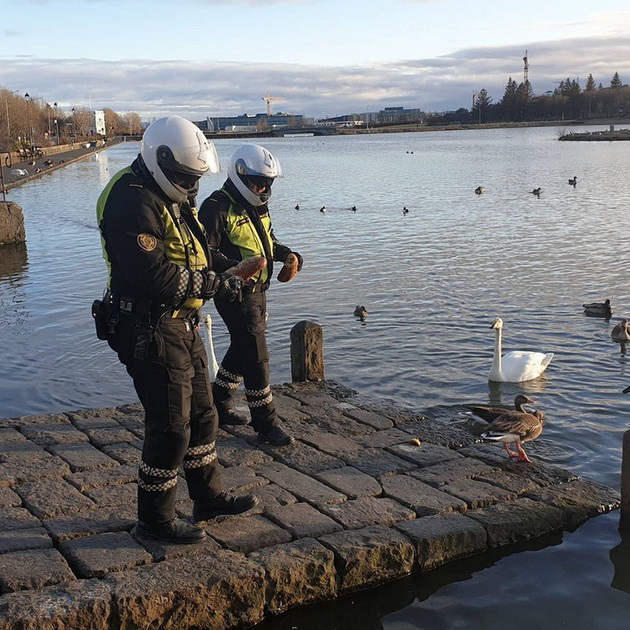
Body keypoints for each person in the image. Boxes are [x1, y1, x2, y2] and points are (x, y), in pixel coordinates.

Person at [95, 115, 258, 545]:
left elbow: (198, 254)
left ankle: (207, 497)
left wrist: (229, 270)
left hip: (180, 323)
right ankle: (154, 519)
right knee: (170, 425)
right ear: (160, 160)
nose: (191, 186)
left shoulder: (170, 195)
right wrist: (216, 284)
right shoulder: (130, 200)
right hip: (147, 325)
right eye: (185, 178)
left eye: (195, 178)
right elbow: (150, 275)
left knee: (204, 415)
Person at [198, 144, 302, 446]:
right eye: (258, 181)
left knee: (244, 347)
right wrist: (236, 268)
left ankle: (219, 401)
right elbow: (206, 255)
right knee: (257, 357)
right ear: (240, 174)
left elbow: (267, 240)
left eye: (268, 182)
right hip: (234, 293)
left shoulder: (256, 205)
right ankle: (265, 424)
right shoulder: (216, 207)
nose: (264, 187)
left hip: (259, 292)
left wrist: (288, 255)